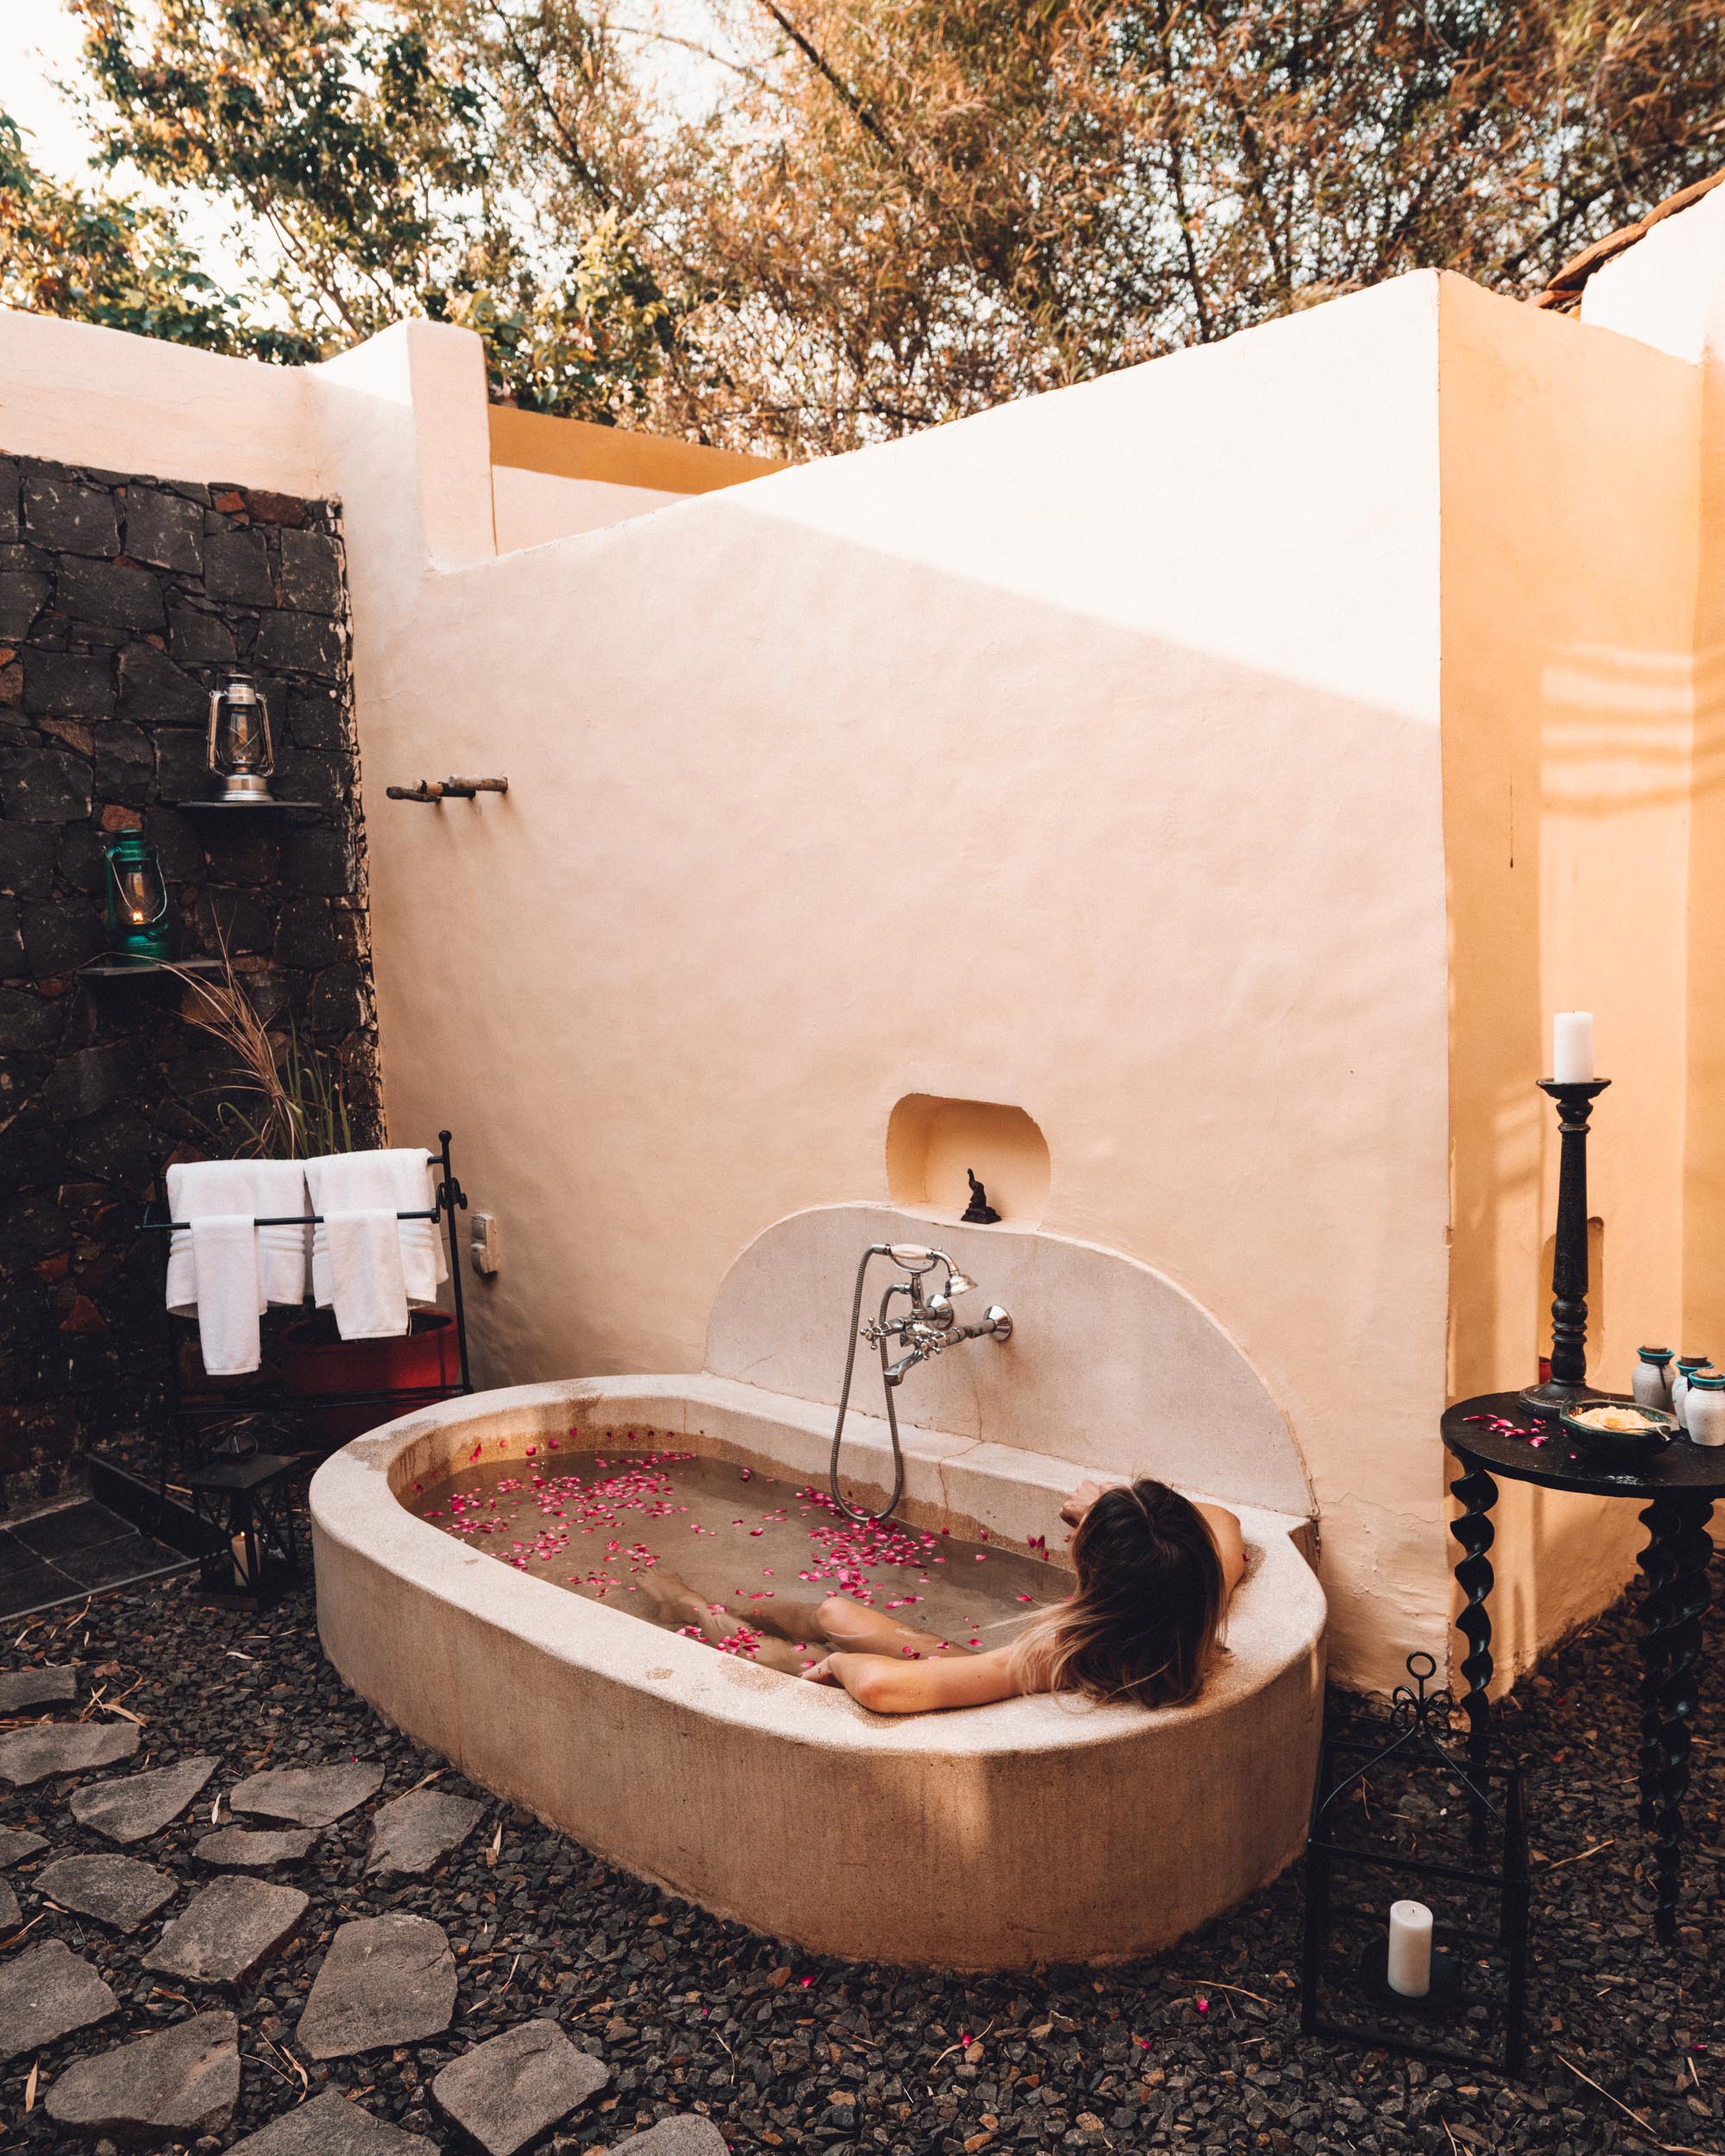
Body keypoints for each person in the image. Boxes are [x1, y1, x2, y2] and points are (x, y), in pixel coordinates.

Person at [799, 1476, 1244, 1714]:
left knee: (834, 1616)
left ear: (1091, 1568)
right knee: (836, 1614)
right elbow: (1221, 1520)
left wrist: (839, 1662)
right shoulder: (1196, 1594)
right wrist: (1115, 1520)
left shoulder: (1060, 1653)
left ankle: (760, 1636)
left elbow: (880, 1688)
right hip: (991, 1671)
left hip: (985, 1684)